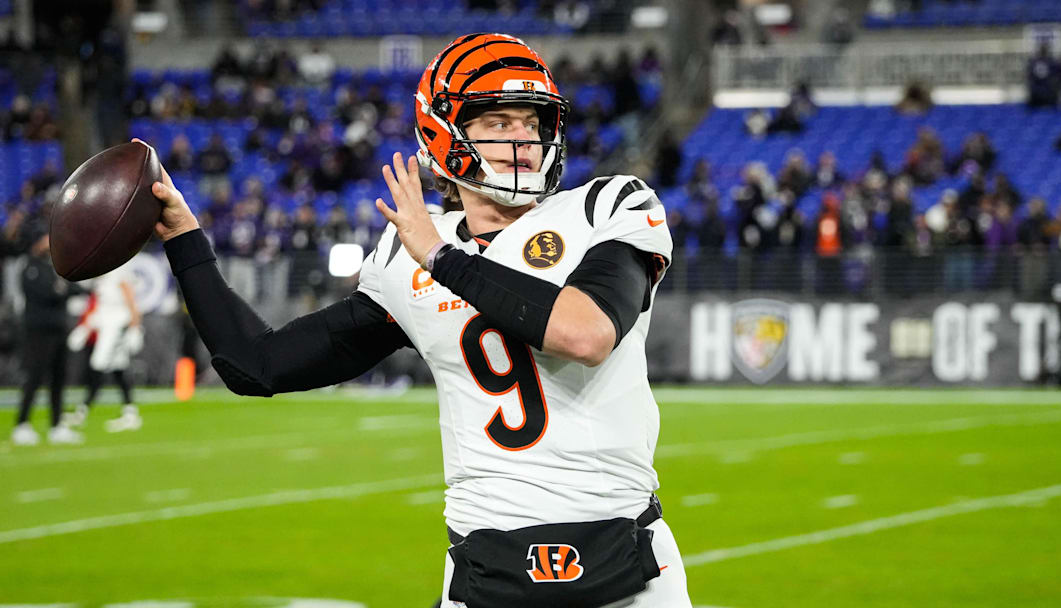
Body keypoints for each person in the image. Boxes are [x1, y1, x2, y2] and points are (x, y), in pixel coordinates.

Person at [145, 33, 690, 607]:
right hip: (488, 566)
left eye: (530, 122)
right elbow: (258, 364)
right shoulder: (408, 259)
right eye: (498, 124)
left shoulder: (606, 207)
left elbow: (585, 333)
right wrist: (186, 242)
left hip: (626, 567)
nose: (522, 142)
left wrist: (442, 257)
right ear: (444, 133)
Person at [11, 224, 83, 446]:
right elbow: (48, 293)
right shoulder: (29, 267)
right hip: (38, 332)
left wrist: (61, 289)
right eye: (44, 239)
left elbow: (70, 289)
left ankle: (57, 425)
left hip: (58, 329)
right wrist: (60, 289)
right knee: (34, 377)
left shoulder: (50, 267)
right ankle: (22, 424)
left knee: (59, 379)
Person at [65, 262, 144, 432]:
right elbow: (101, 304)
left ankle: (82, 411)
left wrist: (135, 326)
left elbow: (130, 299)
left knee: (98, 364)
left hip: (117, 324)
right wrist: (86, 327)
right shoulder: (100, 274)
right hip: (107, 322)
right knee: (118, 369)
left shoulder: (118, 270)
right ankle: (130, 413)